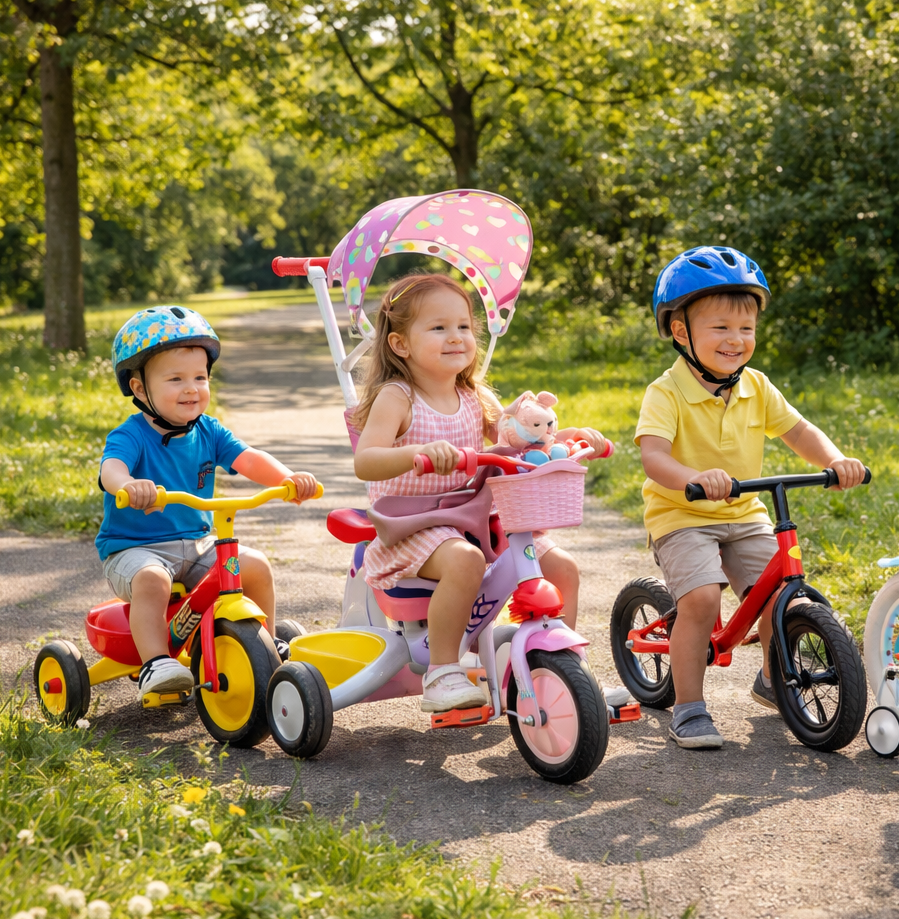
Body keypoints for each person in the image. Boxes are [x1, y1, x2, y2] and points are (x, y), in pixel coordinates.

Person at [636, 246, 866, 750]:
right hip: (682, 512)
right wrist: (695, 476)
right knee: (700, 600)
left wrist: (835, 459)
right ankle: (690, 708)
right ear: (681, 332)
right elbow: (653, 456)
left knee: (782, 593)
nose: (736, 340)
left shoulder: (757, 387)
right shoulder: (666, 392)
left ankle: (771, 676)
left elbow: (799, 430)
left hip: (745, 509)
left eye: (746, 329)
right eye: (720, 328)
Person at [351, 274, 606, 712]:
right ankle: (443, 671)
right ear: (400, 344)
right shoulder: (397, 397)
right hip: (414, 524)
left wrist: (569, 437)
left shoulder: (474, 396)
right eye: (439, 328)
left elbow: (524, 438)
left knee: (561, 566)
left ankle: (559, 666)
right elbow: (366, 460)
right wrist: (417, 452)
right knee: (465, 561)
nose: (456, 337)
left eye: (464, 327)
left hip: (475, 518)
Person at [98, 306, 319, 701]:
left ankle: (264, 645)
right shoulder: (130, 435)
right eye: (175, 378)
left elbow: (248, 458)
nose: (191, 388)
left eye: (200, 377)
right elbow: (110, 469)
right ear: (138, 389)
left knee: (254, 567)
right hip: (134, 549)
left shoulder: (208, 430)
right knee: (153, 580)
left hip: (197, 543)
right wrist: (129, 485)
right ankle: (155, 663)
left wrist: (287, 478)